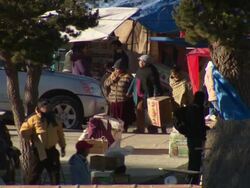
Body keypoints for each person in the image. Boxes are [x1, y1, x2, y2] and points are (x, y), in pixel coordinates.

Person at [20, 99, 66, 185]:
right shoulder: (33, 118)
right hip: (38, 151)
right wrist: (31, 135)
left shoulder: (55, 119)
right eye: (45, 105)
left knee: (55, 174)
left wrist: (62, 147)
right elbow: (23, 131)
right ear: (39, 108)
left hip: (51, 150)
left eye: (49, 105)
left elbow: (60, 134)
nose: (48, 107)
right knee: (34, 175)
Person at [127, 54, 162, 133]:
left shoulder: (152, 71)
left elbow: (155, 84)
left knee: (149, 112)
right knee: (140, 111)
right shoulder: (140, 70)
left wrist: (155, 95)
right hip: (139, 94)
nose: (140, 62)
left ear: (146, 62)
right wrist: (130, 91)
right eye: (140, 61)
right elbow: (134, 81)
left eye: (142, 61)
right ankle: (141, 128)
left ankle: (150, 128)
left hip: (148, 94)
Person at [104, 58, 135, 132]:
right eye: (115, 69)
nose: (116, 70)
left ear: (122, 69)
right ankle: (115, 129)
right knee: (114, 118)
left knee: (123, 117)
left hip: (123, 101)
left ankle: (124, 128)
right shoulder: (112, 75)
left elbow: (132, 88)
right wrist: (113, 79)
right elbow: (105, 84)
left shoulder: (128, 77)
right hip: (113, 100)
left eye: (117, 69)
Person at [185, 91, 206, 184]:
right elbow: (199, 124)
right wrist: (203, 135)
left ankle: (190, 179)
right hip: (196, 137)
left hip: (190, 137)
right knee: (196, 160)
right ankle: (194, 180)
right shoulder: (198, 109)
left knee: (192, 158)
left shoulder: (191, 107)